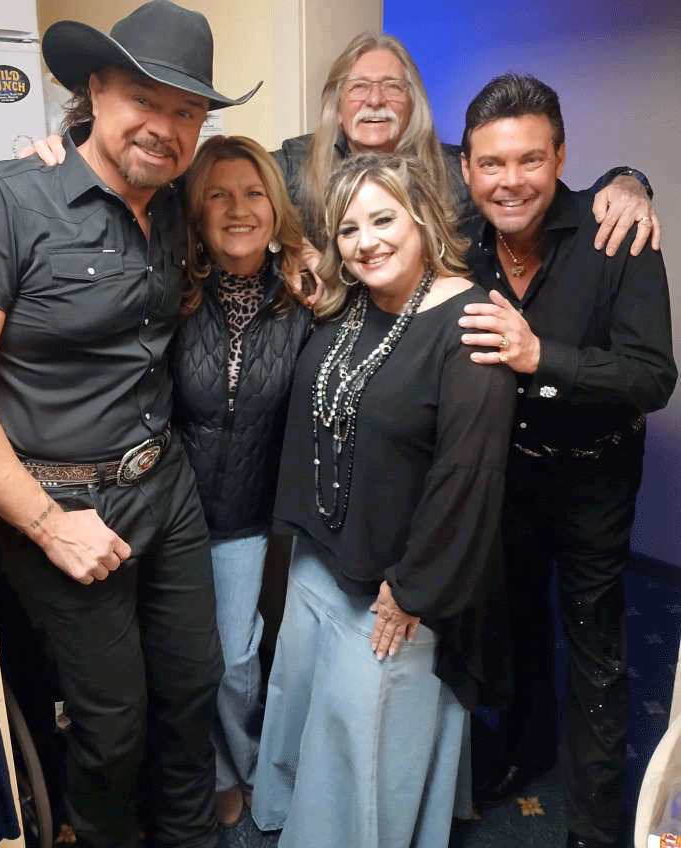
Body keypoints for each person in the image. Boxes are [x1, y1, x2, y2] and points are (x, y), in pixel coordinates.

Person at [0, 2, 261, 847]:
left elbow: (292, 174)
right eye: (145, 99)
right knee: (112, 728)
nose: (166, 126)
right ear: (95, 90)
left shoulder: (178, 203)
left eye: (188, 111)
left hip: (168, 487)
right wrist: (49, 525)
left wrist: (625, 181)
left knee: (194, 691)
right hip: (62, 505)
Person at [251, 152, 516, 848]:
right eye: (347, 229)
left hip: (399, 588)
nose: (365, 240)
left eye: (381, 219)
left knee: (363, 744)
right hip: (324, 558)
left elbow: (470, 478)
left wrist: (412, 589)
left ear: (423, 217)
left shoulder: (472, 323)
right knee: (303, 708)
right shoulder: (350, 306)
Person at [457, 73, 676, 848]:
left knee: (594, 644)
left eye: (529, 160)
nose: (510, 181)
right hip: (506, 475)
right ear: (466, 168)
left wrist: (539, 355)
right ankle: (523, 755)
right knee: (511, 626)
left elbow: (653, 377)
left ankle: (590, 822)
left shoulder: (619, 234)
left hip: (595, 477)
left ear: (560, 158)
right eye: (491, 163)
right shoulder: (460, 241)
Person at [173, 135, 311, 829]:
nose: (237, 209)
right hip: (166, 512)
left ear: (275, 206)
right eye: (217, 195)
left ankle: (242, 764)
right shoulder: (172, 292)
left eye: (253, 193)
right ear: (195, 213)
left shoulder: (304, 299)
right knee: (174, 663)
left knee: (234, 660)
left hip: (247, 517)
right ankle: (208, 773)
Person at [271, 32, 660, 259]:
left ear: (413, 103)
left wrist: (627, 181)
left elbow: (546, 201)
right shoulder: (294, 162)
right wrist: (292, 252)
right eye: (358, 87)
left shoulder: (458, 171)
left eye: (392, 87)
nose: (375, 100)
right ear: (337, 106)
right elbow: (227, 196)